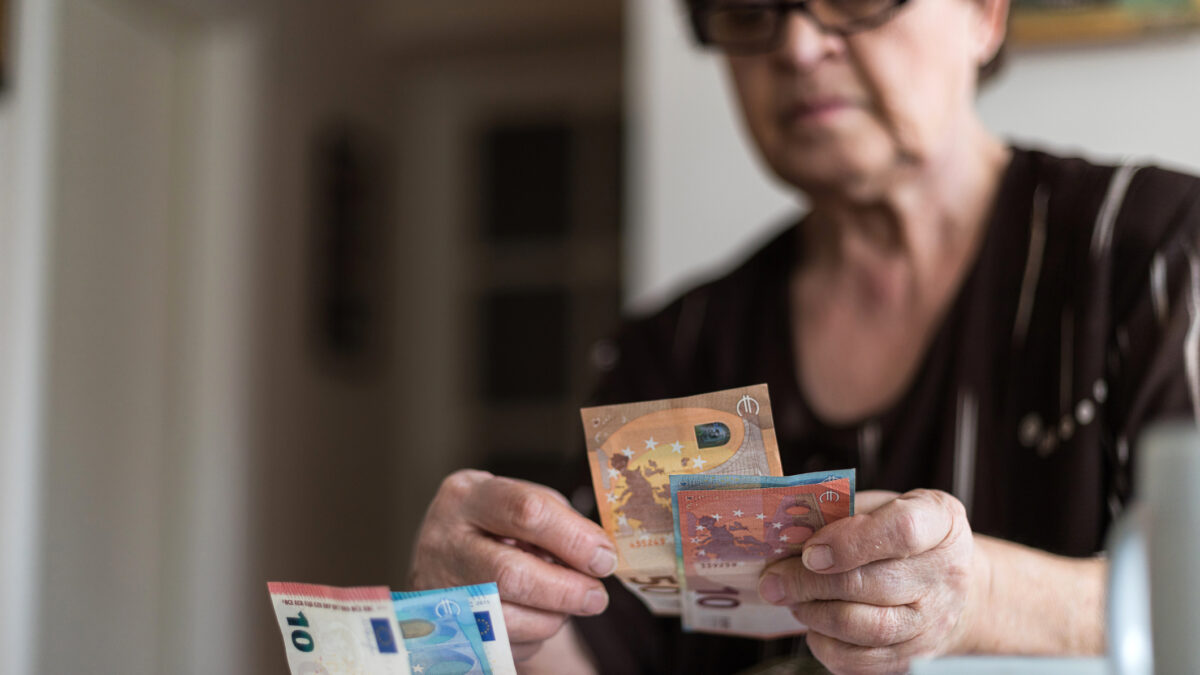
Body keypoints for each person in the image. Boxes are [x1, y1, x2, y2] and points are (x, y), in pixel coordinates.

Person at [408, 0, 1200, 671]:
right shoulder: (677, 347)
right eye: (752, 9)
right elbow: (593, 645)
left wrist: (983, 594)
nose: (796, 45)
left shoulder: (1157, 255)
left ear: (985, 13)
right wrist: (478, 619)